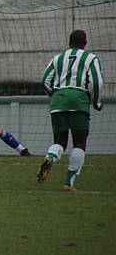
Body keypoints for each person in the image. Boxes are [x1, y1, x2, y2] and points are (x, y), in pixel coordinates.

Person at [37, 29, 103, 191]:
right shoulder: (91, 58)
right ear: (85, 43)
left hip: (58, 100)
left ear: (69, 42)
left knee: (59, 141)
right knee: (79, 142)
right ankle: (68, 182)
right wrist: (96, 102)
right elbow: (96, 82)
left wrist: (56, 95)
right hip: (79, 101)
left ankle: (50, 157)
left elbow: (44, 80)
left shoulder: (58, 58)